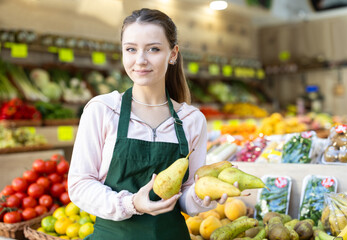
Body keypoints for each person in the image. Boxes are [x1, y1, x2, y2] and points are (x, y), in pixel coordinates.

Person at [68, 8, 228, 240]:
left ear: (173, 54)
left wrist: (202, 198)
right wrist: (132, 203)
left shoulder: (192, 120)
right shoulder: (103, 110)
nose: (140, 60)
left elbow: (185, 196)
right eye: (131, 49)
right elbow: (80, 185)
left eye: (153, 49)